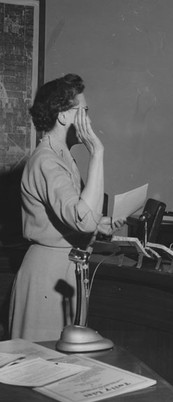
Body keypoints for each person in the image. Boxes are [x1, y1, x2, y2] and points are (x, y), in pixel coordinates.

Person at [9, 74, 123, 341]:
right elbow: (81, 219)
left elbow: (77, 215)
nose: (89, 120)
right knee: (43, 365)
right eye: (83, 111)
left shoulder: (62, 156)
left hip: (64, 266)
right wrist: (98, 153)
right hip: (47, 272)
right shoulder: (47, 161)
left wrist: (99, 222)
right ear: (62, 116)